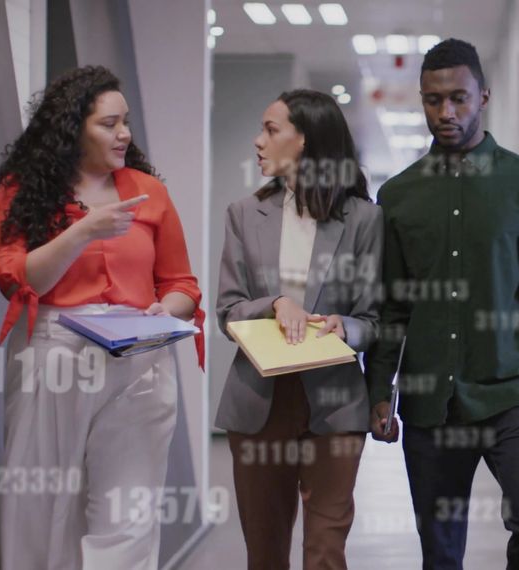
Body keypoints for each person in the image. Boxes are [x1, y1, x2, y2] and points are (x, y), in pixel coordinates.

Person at [365, 38, 519, 570]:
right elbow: (391, 305)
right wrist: (379, 389)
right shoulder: (398, 197)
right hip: (430, 403)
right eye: (433, 100)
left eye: (459, 98)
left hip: (515, 395)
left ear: (483, 95)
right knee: (440, 553)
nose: (446, 112)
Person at [0, 65, 204, 569]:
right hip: (54, 356)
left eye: (125, 121)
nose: (124, 134)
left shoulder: (149, 192)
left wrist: (163, 310)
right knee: (43, 506)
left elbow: (182, 286)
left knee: (130, 510)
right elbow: (17, 280)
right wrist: (82, 231)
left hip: (139, 357)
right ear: (72, 129)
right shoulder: (24, 191)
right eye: (109, 124)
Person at [215, 89, 382, 569]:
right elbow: (229, 310)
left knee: (326, 552)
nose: (258, 141)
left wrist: (342, 326)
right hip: (258, 403)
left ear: (306, 141)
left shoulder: (365, 220)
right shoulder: (244, 214)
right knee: (265, 553)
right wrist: (275, 304)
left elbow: (373, 321)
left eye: (271, 130)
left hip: (335, 404)